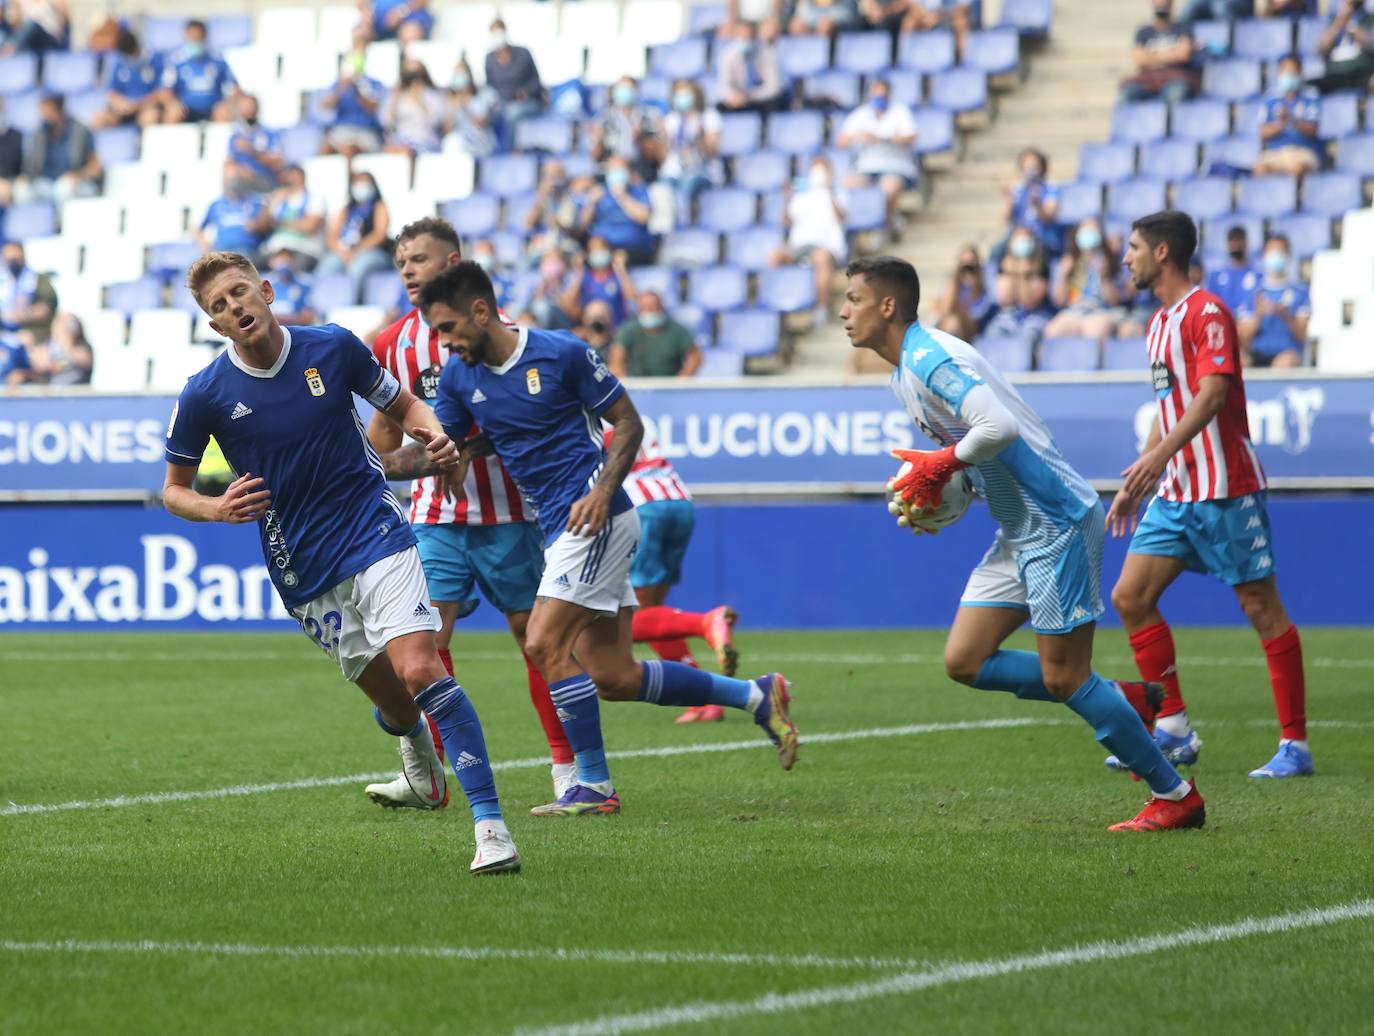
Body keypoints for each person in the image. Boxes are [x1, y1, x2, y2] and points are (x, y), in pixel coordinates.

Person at [164, 250, 521, 873]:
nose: (234, 308)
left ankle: (491, 827)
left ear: (266, 291)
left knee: (419, 668)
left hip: (373, 525)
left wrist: (431, 430)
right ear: (214, 325)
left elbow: (402, 403)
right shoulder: (205, 394)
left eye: (239, 293)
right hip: (300, 566)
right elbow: (174, 488)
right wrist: (215, 509)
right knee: (392, 700)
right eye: (218, 306)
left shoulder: (331, 347)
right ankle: (420, 767)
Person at [840, 254, 1205, 832]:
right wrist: (944, 494)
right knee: (965, 660)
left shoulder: (928, 358)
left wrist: (939, 464)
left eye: (853, 299)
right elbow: (977, 454)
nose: (843, 312)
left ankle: (1176, 795)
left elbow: (998, 428)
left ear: (887, 305)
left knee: (1064, 677)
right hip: (1019, 528)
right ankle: (1117, 698)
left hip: (1056, 519)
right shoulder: (901, 375)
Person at [424, 261, 799, 816]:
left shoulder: (561, 352)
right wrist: (373, 465)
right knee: (614, 676)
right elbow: (448, 446)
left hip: (595, 517)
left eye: (449, 328)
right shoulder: (458, 377)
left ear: (481, 312)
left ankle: (594, 786)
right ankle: (755, 695)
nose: (445, 343)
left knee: (542, 643)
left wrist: (602, 490)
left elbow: (628, 423)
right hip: (556, 528)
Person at [365, 217, 577, 805]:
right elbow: (384, 426)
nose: (408, 269)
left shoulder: (500, 334)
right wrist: (375, 471)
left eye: (420, 259)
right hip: (435, 517)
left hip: (509, 512)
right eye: (401, 261)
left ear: (453, 263)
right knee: (423, 642)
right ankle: (432, 773)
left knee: (535, 641)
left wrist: (462, 446)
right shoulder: (391, 343)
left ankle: (568, 767)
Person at [1107, 210, 1312, 780]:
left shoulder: (1208, 313)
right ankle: (1172, 726)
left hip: (1225, 488)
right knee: (1130, 597)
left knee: (1260, 608)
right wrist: (1138, 478)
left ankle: (1295, 745)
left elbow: (1213, 393)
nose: (1127, 258)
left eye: (1133, 247)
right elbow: (1169, 406)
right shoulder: (1158, 323)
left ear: (1163, 253)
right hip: (1175, 492)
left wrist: (1158, 455)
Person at [602, 420, 738, 724]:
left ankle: (707, 622)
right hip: (679, 501)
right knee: (654, 613)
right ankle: (704, 698)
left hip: (643, 506)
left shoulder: (589, 412)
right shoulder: (623, 405)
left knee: (629, 620)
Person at [771, 155, 848, 325]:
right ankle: (769, 307)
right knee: (775, 257)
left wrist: (828, 190)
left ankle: (822, 308)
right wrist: (787, 197)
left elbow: (842, 217)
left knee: (820, 258)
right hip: (799, 246)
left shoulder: (837, 193)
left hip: (826, 247)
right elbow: (786, 221)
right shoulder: (801, 196)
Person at [835, 80, 919, 233]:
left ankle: (886, 224)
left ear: (889, 95)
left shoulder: (899, 112)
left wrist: (883, 138)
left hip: (894, 166)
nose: (879, 98)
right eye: (876, 94)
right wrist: (858, 136)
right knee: (846, 186)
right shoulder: (861, 114)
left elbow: (912, 136)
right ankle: (856, 231)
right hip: (865, 167)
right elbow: (841, 141)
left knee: (888, 187)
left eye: (883, 95)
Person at [1043, 218, 1124, 343]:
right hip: (1073, 313)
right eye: (1085, 230)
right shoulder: (1068, 262)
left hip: (1101, 312)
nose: (1088, 234)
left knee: (1096, 331)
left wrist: (1104, 277)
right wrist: (1063, 276)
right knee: (1052, 331)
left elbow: (1114, 301)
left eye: (1092, 230)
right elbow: (1058, 301)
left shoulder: (1109, 261)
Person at [1236, 232, 1309, 368]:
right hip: (1256, 352)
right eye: (1272, 252)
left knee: (1284, 363)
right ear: (1264, 256)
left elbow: (1303, 335)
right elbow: (1242, 338)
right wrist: (1259, 315)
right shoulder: (1252, 292)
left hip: (1286, 352)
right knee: (1237, 361)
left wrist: (1286, 315)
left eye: (1280, 252)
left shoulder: (1300, 292)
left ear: (1288, 256)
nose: (1275, 256)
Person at [15, 93, 100, 203]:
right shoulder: (40, 133)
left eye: (47, 109)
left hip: (77, 183)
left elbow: (95, 167)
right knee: (22, 191)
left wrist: (77, 176)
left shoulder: (80, 131)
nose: (43, 114)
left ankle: (61, 220)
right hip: (47, 183)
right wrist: (25, 178)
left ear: (58, 109)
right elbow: (31, 166)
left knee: (63, 189)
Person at [660, 79, 721, 224]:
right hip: (675, 171)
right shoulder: (671, 120)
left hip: (701, 171)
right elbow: (662, 155)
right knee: (661, 189)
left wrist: (700, 137)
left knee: (687, 185)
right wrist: (663, 139)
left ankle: (686, 226)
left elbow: (712, 150)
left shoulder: (708, 117)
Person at [155, 19, 237, 123]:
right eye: (192, 38)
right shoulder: (175, 62)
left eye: (198, 38)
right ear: (186, 37)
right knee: (172, 113)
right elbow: (164, 91)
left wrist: (226, 104)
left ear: (205, 37)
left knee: (225, 112)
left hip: (212, 110)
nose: (195, 42)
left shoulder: (218, 61)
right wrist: (173, 103)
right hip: (185, 111)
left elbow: (233, 88)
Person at [1254, 54, 1323, 178]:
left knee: (1297, 169)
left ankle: (1297, 196)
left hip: (1302, 152)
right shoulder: (1271, 99)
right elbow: (1263, 133)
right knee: (1260, 168)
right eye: (1285, 71)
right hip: (1276, 152)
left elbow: (1313, 131)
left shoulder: (1310, 97)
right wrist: (1281, 124)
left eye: (1292, 72)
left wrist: (1291, 119)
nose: (1289, 75)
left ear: (1300, 73)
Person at [580, 158, 658, 268]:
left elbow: (644, 217)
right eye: (613, 170)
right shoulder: (599, 192)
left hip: (633, 248)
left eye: (620, 170)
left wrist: (621, 196)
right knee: (587, 254)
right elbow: (583, 223)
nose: (616, 173)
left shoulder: (638, 190)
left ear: (628, 172)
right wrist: (591, 203)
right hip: (602, 247)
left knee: (620, 259)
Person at [316, 171, 392, 283]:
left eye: (366, 183)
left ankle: (352, 300)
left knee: (357, 269)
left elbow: (380, 234)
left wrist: (357, 250)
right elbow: (332, 236)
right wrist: (342, 251)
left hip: (371, 251)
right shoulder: (346, 209)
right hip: (344, 252)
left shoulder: (379, 206)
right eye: (359, 183)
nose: (362, 186)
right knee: (326, 268)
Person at [321, 28, 386, 158]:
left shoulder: (373, 83)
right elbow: (325, 105)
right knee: (324, 148)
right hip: (341, 130)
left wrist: (357, 88)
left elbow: (373, 107)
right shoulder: (341, 83)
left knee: (349, 149)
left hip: (365, 132)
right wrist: (342, 88)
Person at [1119, 0, 1197, 107]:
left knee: (1177, 94)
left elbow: (1183, 55)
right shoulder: (1144, 31)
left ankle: (1171, 123)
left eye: (1165, 2)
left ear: (1171, 3)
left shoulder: (1182, 28)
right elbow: (1138, 59)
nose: (1161, 5)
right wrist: (1171, 54)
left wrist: (1152, 56)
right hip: (1147, 78)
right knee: (1127, 94)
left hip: (1174, 77)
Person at [589, 76, 664, 183]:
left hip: (641, 169)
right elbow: (595, 157)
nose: (624, 92)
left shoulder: (649, 117)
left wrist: (641, 139)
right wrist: (598, 140)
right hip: (610, 169)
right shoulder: (603, 119)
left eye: (628, 89)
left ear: (636, 91)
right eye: (621, 88)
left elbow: (657, 156)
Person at [609, 291, 700, 378]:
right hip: (636, 387)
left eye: (653, 307)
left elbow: (695, 357)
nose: (649, 310)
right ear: (638, 309)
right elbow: (617, 359)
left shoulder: (677, 330)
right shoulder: (628, 330)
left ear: (661, 307)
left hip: (670, 387)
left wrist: (682, 379)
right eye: (645, 307)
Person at [197, 163, 272, 264]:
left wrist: (257, 226)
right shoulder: (216, 204)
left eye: (236, 178)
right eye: (230, 178)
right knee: (193, 267)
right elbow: (199, 229)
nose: (233, 183)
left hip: (245, 249)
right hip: (220, 249)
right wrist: (203, 241)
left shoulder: (256, 202)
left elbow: (268, 226)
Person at [484, 18, 544, 141]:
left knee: (512, 113)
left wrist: (526, 92)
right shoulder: (489, 59)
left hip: (527, 101)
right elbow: (489, 86)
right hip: (502, 102)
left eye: (498, 33)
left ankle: (509, 152)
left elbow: (536, 83)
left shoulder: (523, 53)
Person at [92, 27, 162, 130]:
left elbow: (160, 92)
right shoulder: (119, 62)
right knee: (98, 119)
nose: (130, 57)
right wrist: (119, 102)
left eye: (132, 53)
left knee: (150, 118)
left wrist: (138, 105)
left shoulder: (154, 60)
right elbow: (111, 92)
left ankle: (140, 144)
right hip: (124, 109)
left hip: (145, 107)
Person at [1000, 148, 1061, 260]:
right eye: (1027, 166)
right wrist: (1009, 202)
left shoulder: (1051, 188)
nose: (1030, 169)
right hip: (1017, 236)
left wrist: (1037, 205)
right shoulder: (1016, 190)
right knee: (998, 251)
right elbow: (1006, 220)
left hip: (1042, 237)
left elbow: (1050, 217)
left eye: (1034, 166)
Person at [561, 236, 635, 327]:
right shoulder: (585, 276)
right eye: (594, 249)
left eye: (601, 248)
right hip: (592, 330)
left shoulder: (617, 275)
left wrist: (620, 268)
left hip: (617, 328)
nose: (598, 252)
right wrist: (579, 270)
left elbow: (632, 298)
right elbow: (568, 304)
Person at [261, 164, 327, 265]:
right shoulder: (280, 199)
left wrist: (280, 223)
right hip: (276, 248)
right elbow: (264, 224)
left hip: (304, 249)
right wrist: (271, 200)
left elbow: (309, 226)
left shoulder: (315, 200)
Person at [717, 19, 785, 114]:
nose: (745, 40)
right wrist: (734, 96)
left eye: (748, 36)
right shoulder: (728, 55)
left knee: (776, 102)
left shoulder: (766, 52)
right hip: (738, 99)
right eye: (742, 36)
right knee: (720, 107)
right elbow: (724, 84)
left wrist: (750, 96)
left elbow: (774, 86)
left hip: (759, 99)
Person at [929, 245, 995, 341]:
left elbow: (977, 316)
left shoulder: (985, 284)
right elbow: (944, 309)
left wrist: (975, 285)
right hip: (951, 324)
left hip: (973, 328)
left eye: (971, 265)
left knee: (954, 322)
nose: (968, 269)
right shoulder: (954, 284)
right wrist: (955, 284)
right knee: (948, 317)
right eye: (964, 265)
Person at [383, 57, 445, 157]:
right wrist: (395, 100)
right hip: (401, 139)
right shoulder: (396, 95)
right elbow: (387, 122)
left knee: (408, 152)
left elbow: (434, 122)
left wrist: (419, 100)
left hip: (424, 139)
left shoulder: (433, 95)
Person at [0, 241, 58, 347]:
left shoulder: (38, 280)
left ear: (23, 256)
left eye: (15, 259)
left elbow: (45, 309)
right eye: (8, 260)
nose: (13, 264)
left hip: (32, 334)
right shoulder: (3, 282)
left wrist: (21, 315)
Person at [1310, 0, 1374, 95]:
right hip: (1334, 74)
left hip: (1361, 74)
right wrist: (1340, 22)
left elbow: (1370, 44)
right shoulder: (1335, 21)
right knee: (1310, 86)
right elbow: (1321, 48)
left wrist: (1350, 26)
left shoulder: (1370, 19)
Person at [225, 95, 283, 196]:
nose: (248, 111)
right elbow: (229, 161)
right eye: (245, 108)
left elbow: (276, 161)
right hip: (242, 180)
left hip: (265, 180)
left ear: (257, 109)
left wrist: (251, 150)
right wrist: (241, 171)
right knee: (231, 174)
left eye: (250, 107)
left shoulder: (268, 134)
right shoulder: (236, 136)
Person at [443, 59, 499, 158]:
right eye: (456, 74)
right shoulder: (451, 99)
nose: (459, 76)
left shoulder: (485, 95)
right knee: (452, 142)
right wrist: (452, 108)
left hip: (482, 143)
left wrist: (465, 104)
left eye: (462, 73)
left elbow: (483, 123)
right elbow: (447, 130)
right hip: (460, 145)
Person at [1204, 225, 1260, 318]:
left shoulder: (1258, 275)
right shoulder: (1215, 276)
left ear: (1246, 242)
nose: (1236, 245)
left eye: (1239, 239)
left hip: (1249, 325)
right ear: (1227, 244)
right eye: (1232, 240)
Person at [26, 310, 90, 384]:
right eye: (61, 321)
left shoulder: (82, 346)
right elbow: (44, 365)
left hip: (76, 389)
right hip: (54, 391)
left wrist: (66, 340)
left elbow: (83, 360)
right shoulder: (48, 345)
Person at [264, 249, 317, 324]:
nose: (284, 264)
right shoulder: (263, 285)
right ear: (271, 262)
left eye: (287, 260)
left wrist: (282, 319)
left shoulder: (304, 285)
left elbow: (309, 317)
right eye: (280, 260)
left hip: (294, 330)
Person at [1, 0, 68, 55]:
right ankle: (8, 48)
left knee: (33, 25)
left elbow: (63, 19)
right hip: (28, 39)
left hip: (49, 37)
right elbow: (15, 23)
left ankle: (8, 50)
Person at [788, 0, 861, 37]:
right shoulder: (804, 4)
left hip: (843, 51)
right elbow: (797, 19)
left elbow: (854, 18)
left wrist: (836, 26)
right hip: (809, 54)